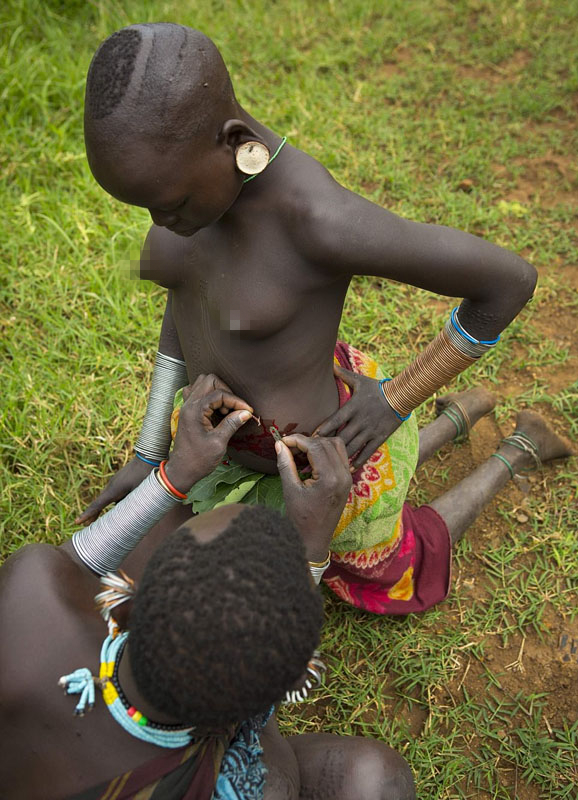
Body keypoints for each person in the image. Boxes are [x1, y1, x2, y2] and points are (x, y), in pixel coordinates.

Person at [80, 23, 556, 614]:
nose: (158, 221)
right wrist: (151, 451)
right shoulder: (190, 195)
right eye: (145, 207)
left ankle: (517, 450)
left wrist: (399, 397)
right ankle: (458, 419)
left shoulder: (318, 221)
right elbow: (185, 302)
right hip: (218, 447)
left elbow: (508, 282)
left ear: (233, 141)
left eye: (170, 204)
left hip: (325, 471)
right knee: (136, 589)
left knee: (395, 570)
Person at [0, 376, 416, 800]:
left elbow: (74, 562)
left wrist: (175, 474)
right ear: (240, 719)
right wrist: (312, 548)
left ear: (122, 602)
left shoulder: (27, 596)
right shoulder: (237, 785)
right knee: (375, 782)